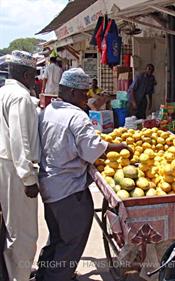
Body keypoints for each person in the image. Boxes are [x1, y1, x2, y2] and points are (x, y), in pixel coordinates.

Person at [35, 68, 132, 281]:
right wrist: (118, 146)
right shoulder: (76, 116)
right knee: (71, 242)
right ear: (70, 92)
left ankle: (44, 272)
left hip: (49, 186)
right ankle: (56, 277)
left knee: (58, 237)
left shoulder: (47, 111)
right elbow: (91, 150)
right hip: (70, 189)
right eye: (83, 93)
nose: (86, 98)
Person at [0, 51, 40, 281]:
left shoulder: (4, 92)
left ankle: (14, 271)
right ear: (26, 74)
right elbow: (20, 139)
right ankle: (20, 276)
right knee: (24, 233)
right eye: (34, 76)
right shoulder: (20, 97)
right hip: (14, 168)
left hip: (5, 164)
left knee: (11, 227)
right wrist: (29, 179)